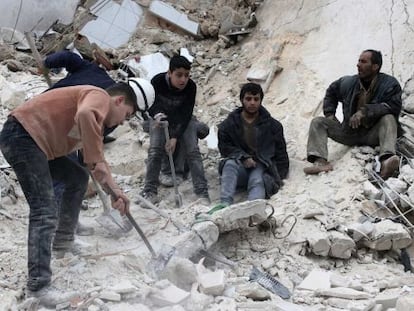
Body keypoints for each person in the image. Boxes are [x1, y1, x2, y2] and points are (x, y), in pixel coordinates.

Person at [0, 82, 152, 303]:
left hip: (36, 144)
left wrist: (115, 192)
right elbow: (85, 114)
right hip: (23, 137)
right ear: (119, 101)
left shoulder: (95, 125)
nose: (121, 122)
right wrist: (96, 159)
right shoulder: (98, 96)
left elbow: (95, 164)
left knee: (77, 177)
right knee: (44, 209)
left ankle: (63, 240)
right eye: (126, 115)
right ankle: (38, 286)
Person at [303, 49, 402, 179]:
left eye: (363, 61)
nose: (358, 65)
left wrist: (365, 111)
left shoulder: (390, 84)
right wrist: (330, 114)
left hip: (373, 134)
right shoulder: (348, 82)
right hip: (348, 133)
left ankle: (387, 159)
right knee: (318, 122)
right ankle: (320, 161)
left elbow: (393, 106)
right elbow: (331, 92)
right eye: (358, 61)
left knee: (388, 118)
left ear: (375, 66)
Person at [141, 55, 210, 204]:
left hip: (183, 121)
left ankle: (202, 192)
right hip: (161, 118)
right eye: (179, 75)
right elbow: (151, 104)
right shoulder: (157, 82)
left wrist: (174, 136)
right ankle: (149, 191)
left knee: (193, 152)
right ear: (169, 73)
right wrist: (157, 115)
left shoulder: (191, 87)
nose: (183, 80)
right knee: (155, 151)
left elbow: (186, 113)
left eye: (186, 75)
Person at [215, 82, 289, 208]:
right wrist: (243, 157)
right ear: (242, 100)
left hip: (260, 166)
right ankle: (224, 204)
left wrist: (277, 177)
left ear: (261, 101)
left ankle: (253, 209)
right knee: (229, 164)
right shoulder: (228, 125)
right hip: (239, 168)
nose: (252, 103)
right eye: (248, 99)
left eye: (256, 99)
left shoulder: (273, 126)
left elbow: (281, 154)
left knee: (257, 179)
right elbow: (225, 148)